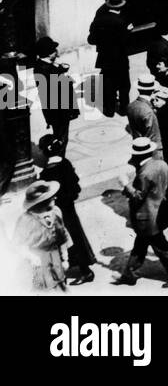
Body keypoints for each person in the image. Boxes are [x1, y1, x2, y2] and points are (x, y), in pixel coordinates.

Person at [116, 137, 168, 286]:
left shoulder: (144, 174)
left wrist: (126, 185)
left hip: (147, 217)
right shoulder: (162, 164)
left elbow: (138, 197)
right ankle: (129, 274)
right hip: (160, 211)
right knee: (141, 245)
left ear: (138, 155)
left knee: (160, 247)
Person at [37, 134, 95, 285]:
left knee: (66, 239)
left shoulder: (46, 173)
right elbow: (76, 186)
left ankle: (84, 271)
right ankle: (83, 265)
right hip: (69, 207)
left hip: (58, 211)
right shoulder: (65, 164)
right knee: (75, 235)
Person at [14, 180, 70, 292]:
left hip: (56, 260)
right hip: (38, 263)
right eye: (51, 197)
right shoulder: (26, 220)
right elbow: (18, 244)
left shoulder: (56, 213)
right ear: (42, 202)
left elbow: (63, 237)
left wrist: (65, 258)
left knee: (60, 287)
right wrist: (31, 257)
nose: (55, 198)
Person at [27, 36, 78, 146]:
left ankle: (57, 157)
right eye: (55, 51)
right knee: (61, 138)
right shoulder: (46, 68)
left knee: (60, 136)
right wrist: (62, 72)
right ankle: (58, 159)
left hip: (55, 110)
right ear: (49, 53)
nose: (57, 53)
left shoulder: (41, 66)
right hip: (59, 110)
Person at [89, 0, 131, 118]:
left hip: (105, 58)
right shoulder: (121, 22)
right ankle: (123, 108)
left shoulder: (99, 20)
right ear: (119, 7)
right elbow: (126, 41)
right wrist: (128, 31)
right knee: (124, 84)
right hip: (120, 58)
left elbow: (91, 39)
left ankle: (109, 110)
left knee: (108, 84)